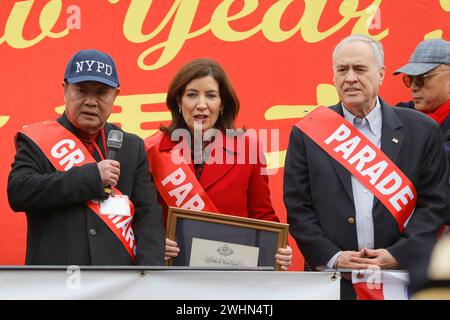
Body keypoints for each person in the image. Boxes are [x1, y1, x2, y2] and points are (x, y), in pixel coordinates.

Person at [283, 35, 448, 299]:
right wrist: (334, 257)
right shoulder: (307, 133)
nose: (349, 78)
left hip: (403, 280)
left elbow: (434, 205)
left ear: (381, 73)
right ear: (333, 76)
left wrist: (398, 254)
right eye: (342, 70)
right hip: (332, 282)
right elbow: (298, 208)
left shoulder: (422, 131)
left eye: (359, 69)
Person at [8, 49, 165, 265]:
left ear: (115, 95)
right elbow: (19, 193)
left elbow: (147, 214)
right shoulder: (37, 139)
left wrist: (149, 274)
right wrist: (91, 177)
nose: (91, 101)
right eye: (81, 91)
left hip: (117, 283)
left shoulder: (132, 146)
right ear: (65, 90)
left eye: (101, 92)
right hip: (54, 280)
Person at [145, 58, 292, 270]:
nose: (201, 105)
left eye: (211, 95)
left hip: (231, 274)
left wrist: (279, 247)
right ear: (179, 100)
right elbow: (140, 217)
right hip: (171, 272)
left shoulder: (248, 148)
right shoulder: (152, 150)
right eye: (192, 94)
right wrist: (155, 241)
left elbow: (263, 215)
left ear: (222, 103)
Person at [393, 39, 450, 293]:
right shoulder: (396, 121)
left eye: (423, 77)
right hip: (401, 257)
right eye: (409, 79)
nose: (414, 86)